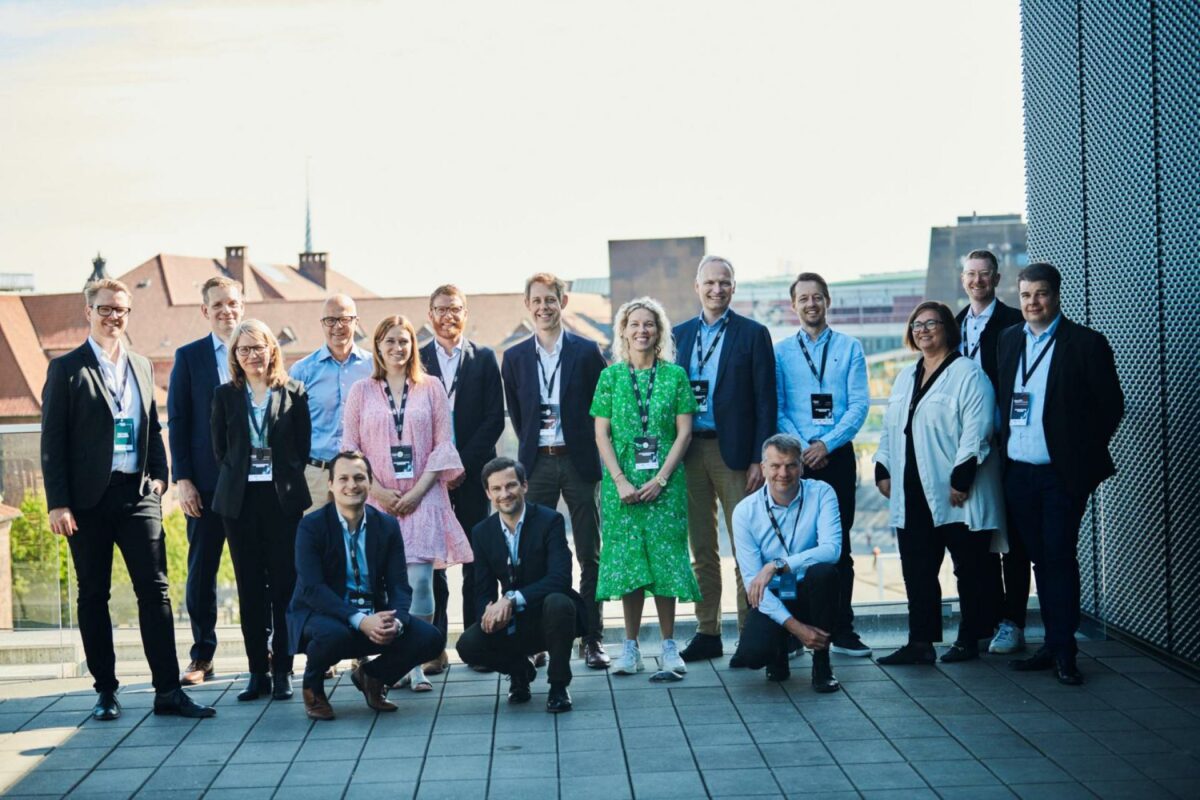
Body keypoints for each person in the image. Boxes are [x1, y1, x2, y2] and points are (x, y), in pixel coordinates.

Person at [40, 278, 215, 721]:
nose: (114, 317)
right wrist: (57, 503)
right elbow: (52, 441)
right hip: (86, 502)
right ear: (88, 312)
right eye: (106, 309)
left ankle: (168, 691)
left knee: (156, 591)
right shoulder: (67, 369)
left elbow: (152, 426)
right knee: (93, 594)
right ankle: (106, 690)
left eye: (121, 310)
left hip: (138, 495)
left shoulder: (139, 364)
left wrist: (161, 477)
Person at [997, 263, 1123, 685]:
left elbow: (1110, 408)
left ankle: (1065, 651)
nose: (1033, 302)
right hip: (1019, 473)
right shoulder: (1009, 339)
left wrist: (1077, 458)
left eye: (1042, 294)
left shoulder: (1086, 343)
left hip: (1061, 475)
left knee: (1058, 558)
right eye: (1027, 295)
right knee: (1039, 560)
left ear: (1057, 295)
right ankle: (1051, 643)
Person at [342, 314, 472, 692]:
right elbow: (351, 447)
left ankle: (415, 662)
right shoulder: (361, 392)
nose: (397, 348)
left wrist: (416, 492)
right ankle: (392, 663)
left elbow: (443, 445)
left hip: (425, 495)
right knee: (381, 584)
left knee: (419, 582)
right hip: (376, 498)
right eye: (389, 342)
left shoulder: (430, 388)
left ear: (413, 346)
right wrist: (377, 491)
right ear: (378, 348)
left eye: (404, 341)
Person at [874, 301, 1005, 665]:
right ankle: (920, 642)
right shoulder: (905, 375)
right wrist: (882, 466)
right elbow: (891, 426)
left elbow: (978, 430)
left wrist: (962, 477)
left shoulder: (968, 374)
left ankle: (971, 637)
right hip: (913, 489)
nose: (923, 330)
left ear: (948, 328)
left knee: (970, 567)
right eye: (917, 324)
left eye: (932, 323)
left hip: (957, 490)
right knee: (917, 569)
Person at [502, 273, 610, 669]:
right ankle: (538, 639)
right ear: (527, 305)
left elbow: (602, 408)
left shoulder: (586, 351)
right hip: (538, 464)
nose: (544, 307)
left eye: (551, 300)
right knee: (533, 554)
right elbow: (518, 413)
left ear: (563, 303)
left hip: (579, 462)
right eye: (537, 301)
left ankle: (592, 638)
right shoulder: (513, 358)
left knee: (589, 552)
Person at [287, 451, 445, 720]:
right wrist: (360, 620)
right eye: (344, 478)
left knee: (430, 638)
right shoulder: (311, 526)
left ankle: (373, 677)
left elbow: (399, 585)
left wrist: (397, 621)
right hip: (324, 614)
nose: (352, 485)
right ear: (331, 484)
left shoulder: (386, 525)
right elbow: (313, 589)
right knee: (334, 635)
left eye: (359, 478)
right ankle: (313, 688)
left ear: (370, 483)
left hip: (373, 611)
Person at [672, 255, 776, 664]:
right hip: (689, 450)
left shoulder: (753, 334)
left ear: (734, 288)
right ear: (696, 287)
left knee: (746, 546)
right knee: (702, 547)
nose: (717, 289)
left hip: (735, 454)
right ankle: (707, 631)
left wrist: (758, 459)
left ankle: (750, 634)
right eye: (710, 282)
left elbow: (767, 401)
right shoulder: (678, 335)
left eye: (725, 282)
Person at [592, 297, 699, 680]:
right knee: (628, 565)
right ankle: (631, 647)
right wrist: (620, 480)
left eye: (649, 324)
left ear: (659, 331)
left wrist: (661, 479)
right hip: (620, 488)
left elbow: (684, 432)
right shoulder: (611, 377)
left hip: (665, 486)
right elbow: (601, 432)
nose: (642, 330)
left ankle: (670, 646)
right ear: (623, 330)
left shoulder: (675, 376)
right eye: (634, 324)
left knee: (667, 562)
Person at [212, 319, 312, 701]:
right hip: (238, 504)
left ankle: (283, 669)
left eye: (258, 347)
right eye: (244, 349)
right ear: (235, 356)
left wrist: (278, 476)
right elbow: (221, 450)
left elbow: (301, 449)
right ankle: (257, 671)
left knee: (285, 587)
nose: (252, 355)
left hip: (281, 501)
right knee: (249, 588)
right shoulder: (224, 395)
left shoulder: (293, 392)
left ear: (272, 349)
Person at [775, 272, 871, 657]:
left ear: (828, 301)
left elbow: (859, 405)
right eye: (803, 298)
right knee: (789, 544)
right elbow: (778, 406)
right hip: (793, 460)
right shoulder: (780, 351)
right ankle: (794, 629)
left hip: (836, 457)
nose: (811, 304)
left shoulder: (850, 348)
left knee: (838, 545)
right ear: (793, 305)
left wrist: (825, 443)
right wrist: (802, 448)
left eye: (817, 297)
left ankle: (841, 629)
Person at [419, 285, 505, 675]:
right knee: (433, 560)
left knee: (475, 558)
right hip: (430, 476)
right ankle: (433, 645)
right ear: (430, 315)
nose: (447, 315)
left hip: (472, 475)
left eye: (454, 309)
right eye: (440, 309)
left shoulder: (484, 358)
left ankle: (476, 639)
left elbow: (494, 418)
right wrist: (441, 467)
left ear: (465, 313)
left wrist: (462, 466)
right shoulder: (417, 358)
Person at [456, 457, 586, 713]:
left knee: (559, 601)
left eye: (511, 485)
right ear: (488, 493)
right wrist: (489, 611)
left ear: (525, 486)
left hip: (550, 615)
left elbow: (560, 579)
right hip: (513, 622)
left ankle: (558, 685)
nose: (505, 494)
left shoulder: (550, 521)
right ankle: (520, 672)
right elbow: (481, 589)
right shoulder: (482, 532)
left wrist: (512, 599)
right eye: (496, 489)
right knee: (467, 645)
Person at [168, 276, 244, 686]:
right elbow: (178, 421)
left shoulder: (260, 350)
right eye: (217, 305)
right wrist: (183, 479)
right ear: (205, 311)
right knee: (201, 574)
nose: (226, 311)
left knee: (259, 571)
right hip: (206, 486)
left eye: (232, 303)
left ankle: (266, 647)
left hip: (252, 484)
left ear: (242, 305)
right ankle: (202, 656)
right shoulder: (189, 357)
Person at [954, 250, 1028, 656]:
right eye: (971, 274)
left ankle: (1012, 621)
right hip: (966, 449)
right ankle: (984, 619)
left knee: (1012, 540)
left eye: (985, 274)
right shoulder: (954, 324)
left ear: (997, 278)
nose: (977, 281)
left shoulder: (1016, 321)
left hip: (1006, 446)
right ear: (962, 278)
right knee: (977, 541)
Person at [730, 434, 841, 692]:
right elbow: (752, 584)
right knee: (752, 656)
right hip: (775, 592)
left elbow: (832, 550)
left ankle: (822, 664)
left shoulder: (822, 493)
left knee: (825, 574)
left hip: (810, 588)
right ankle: (779, 648)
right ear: (764, 467)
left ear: (802, 466)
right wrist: (797, 628)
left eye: (791, 465)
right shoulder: (745, 512)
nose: (784, 472)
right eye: (776, 465)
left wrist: (778, 565)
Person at [290, 294, 373, 513]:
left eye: (344, 319)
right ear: (322, 324)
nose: (337, 326)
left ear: (356, 322)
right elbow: (290, 426)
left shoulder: (374, 368)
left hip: (359, 474)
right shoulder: (302, 370)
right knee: (315, 542)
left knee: (358, 541)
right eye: (330, 320)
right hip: (315, 475)